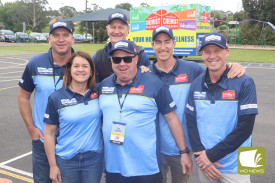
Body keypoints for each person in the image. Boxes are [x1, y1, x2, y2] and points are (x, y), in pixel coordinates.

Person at [149, 25, 246, 183]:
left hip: (183, 150)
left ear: (174, 43)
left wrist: (234, 67)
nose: (163, 46)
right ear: (152, 45)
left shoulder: (192, 69)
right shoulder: (145, 73)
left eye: (167, 41)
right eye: (158, 42)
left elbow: (216, 72)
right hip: (153, 149)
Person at [98, 40, 192, 183]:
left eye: (127, 58)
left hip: (146, 168)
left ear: (136, 59)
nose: (122, 63)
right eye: (117, 59)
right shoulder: (104, 86)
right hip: (113, 167)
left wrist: (183, 152)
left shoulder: (155, 84)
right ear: (111, 61)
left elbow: (172, 119)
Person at [185, 32, 258, 183]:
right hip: (205, 161)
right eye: (207, 52)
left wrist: (210, 156)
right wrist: (200, 155)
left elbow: (246, 128)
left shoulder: (246, 82)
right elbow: (190, 122)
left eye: (217, 51)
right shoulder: (195, 84)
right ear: (202, 54)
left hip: (238, 160)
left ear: (227, 52)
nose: (212, 56)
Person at [18, 21, 75, 183]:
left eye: (65, 35)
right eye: (56, 35)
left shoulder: (82, 64)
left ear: (73, 39)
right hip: (43, 139)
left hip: (73, 141)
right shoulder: (35, 64)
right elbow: (23, 96)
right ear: (49, 39)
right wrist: (31, 127)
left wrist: (143, 68)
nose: (61, 39)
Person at [44, 51, 103, 183]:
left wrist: (143, 71)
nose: (80, 70)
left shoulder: (99, 92)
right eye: (76, 66)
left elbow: (122, 80)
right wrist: (53, 166)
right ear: (69, 70)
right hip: (66, 160)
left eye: (85, 66)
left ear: (92, 71)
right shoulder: (56, 98)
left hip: (93, 159)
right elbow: (49, 134)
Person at [92, 11, 151, 83]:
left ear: (128, 30)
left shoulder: (141, 55)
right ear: (107, 29)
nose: (116, 31)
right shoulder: (97, 57)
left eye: (121, 27)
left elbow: (150, 84)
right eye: (113, 27)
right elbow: (93, 87)